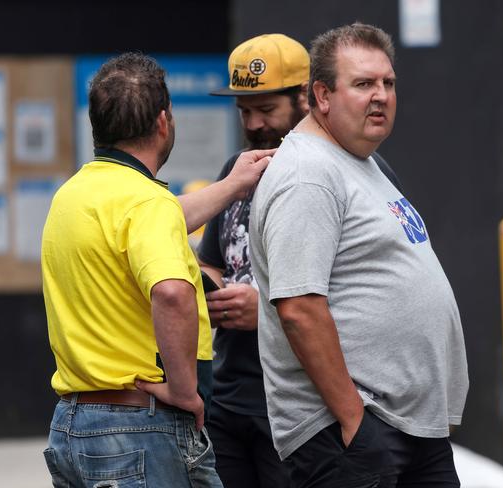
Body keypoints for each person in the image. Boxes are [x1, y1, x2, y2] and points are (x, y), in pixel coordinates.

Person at [249, 23, 469, 487]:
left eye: (388, 83)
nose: (382, 96)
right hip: (350, 432)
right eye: (364, 83)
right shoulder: (308, 173)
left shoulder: (356, 161)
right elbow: (299, 309)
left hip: (401, 428)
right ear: (322, 96)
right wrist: (353, 420)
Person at [41, 52, 273, 488]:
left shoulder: (73, 195)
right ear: (164, 121)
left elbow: (153, 223)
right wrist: (185, 392)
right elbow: (171, 292)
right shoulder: (146, 203)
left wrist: (230, 186)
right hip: (138, 430)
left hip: (73, 426)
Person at [199, 33, 405, 488]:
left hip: (300, 407)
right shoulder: (239, 168)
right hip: (231, 399)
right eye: (244, 112)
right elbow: (215, 260)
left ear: (308, 98)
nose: (253, 124)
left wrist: (266, 310)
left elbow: (371, 291)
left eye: (266, 110)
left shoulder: (348, 169)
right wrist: (210, 291)